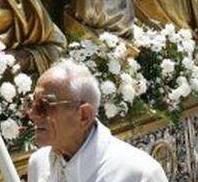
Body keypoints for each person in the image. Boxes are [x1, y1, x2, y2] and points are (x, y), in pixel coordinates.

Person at [26, 60, 168, 182]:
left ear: (84, 115)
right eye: (31, 103)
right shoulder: (39, 163)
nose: (32, 114)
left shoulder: (140, 174)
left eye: (43, 106)